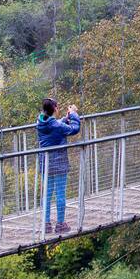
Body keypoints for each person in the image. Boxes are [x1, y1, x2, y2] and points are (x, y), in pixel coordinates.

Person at [36, 98, 81, 234]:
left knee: (47, 194)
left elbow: (55, 125)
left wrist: (65, 119)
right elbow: (74, 129)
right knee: (60, 194)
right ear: (55, 108)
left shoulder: (39, 122)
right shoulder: (57, 126)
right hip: (59, 162)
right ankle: (60, 224)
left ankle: (46, 224)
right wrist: (73, 115)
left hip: (45, 162)